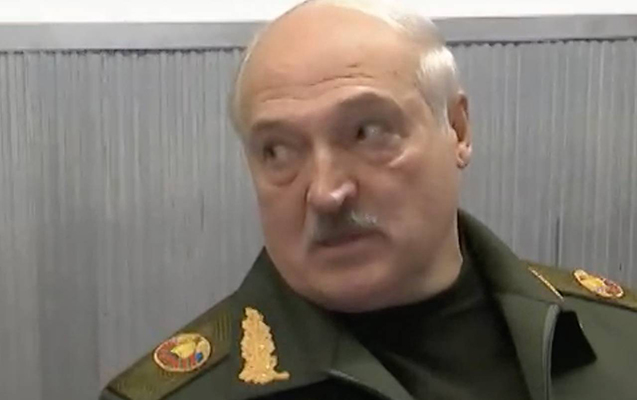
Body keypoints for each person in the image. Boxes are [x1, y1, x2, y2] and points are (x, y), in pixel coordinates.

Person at [100, 1, 637, 399]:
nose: (326, 192)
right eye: (278, 150)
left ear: (456, 128)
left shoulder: (621, 340)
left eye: (367, 132)